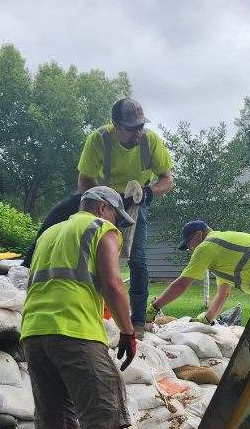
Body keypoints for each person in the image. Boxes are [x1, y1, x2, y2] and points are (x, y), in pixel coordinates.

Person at [21, 185, 146, 429]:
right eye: (115, 217)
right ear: (104, 209)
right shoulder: (99, 229)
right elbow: (111, 281)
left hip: (34, 333)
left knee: (61, 424)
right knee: (106, 421)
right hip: (75, 332)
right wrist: (127, 330)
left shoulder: (50, 233)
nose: (116, 224)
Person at [77, 97, 175, 334]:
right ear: (116, 125)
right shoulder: (99, 139)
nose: (138, 133)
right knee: (94, 254)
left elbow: (168, 180)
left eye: (141, 126)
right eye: (132, 129)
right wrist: (95, 206)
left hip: (136, 200)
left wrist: (150, 192)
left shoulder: (150, 140)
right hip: (105, 200)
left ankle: (138, 321)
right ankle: (93, 313)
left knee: (138, 259)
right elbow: (84, 181)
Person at [146, 220, 250, 324]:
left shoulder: (207, 246)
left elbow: (181, 284)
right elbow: (223, 294)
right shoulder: (221, 252)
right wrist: (207, 319)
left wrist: (154, 308)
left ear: (198, 235)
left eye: (189, 245)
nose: (190, 251)